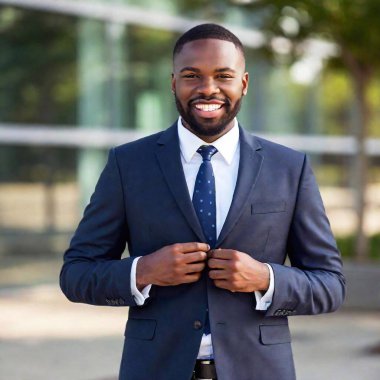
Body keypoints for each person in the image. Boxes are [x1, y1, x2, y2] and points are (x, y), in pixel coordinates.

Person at [60, 23, 345, 380]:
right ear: (173, 83)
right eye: (192, 75)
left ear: (243, 83)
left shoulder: (289, 168)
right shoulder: (128, 164)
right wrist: (144, 270)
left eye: (222, 75)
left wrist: (265, 278)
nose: (208, 89)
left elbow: (330, 285)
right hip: (154, 369)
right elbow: (76, 274)